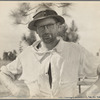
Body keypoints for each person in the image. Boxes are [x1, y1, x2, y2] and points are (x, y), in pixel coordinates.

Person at [0, 7, 100, 98]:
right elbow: (3, 73)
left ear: (58, 26)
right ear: (37, 31)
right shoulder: (27, 55)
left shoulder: (75, 51)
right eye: (41, 27)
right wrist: (16, 91)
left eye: (50, 25)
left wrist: (86, 95)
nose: (46, 30)